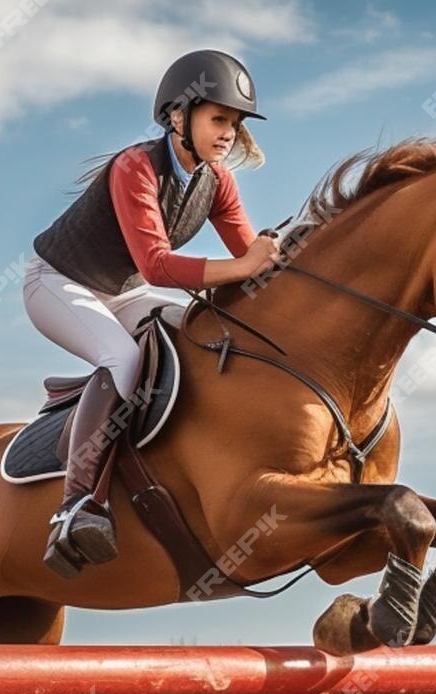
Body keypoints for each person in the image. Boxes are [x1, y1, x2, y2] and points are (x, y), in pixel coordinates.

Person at [24, 48, 282, 578]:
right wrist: (247, 263)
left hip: (123, 292)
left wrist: (285, 255)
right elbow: (160, 266)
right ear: (177, 117)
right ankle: (76, 505)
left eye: (234, 123)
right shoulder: (134, 166)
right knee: (121, 358)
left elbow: (246, 260)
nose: (229, 132)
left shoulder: (217, 181)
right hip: (58, 283)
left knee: (192, 333)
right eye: (218, 118)